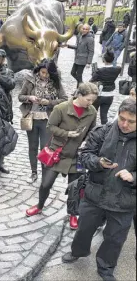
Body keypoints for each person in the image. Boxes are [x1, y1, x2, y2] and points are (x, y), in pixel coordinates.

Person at [62, 98, 136, 281]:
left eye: (131, 121)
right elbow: (84, 154)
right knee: (84, 229)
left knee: (114, 239)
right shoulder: (103, 131)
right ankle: (77, 251)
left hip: (123, 201)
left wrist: (134, 176)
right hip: (95, 195)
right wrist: (98, 162)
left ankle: (105, 267)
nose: (124, 124)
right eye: (122, 118)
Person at [25, 82, 99, 230]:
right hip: (57, 152)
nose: (91, 103)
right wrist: (67, 134)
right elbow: (50, 127)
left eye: (93, 101)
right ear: (79, 95)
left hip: (76, 155)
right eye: (88, 100)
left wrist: (87, 144)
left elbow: (92, 131)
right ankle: (39, 206)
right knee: (46, 184)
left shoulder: (91, 112)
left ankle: (72, 214)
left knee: (75, 188)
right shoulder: (61, 108)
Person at [18, 59, 68, 183]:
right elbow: (20, 96)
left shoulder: (56, 82)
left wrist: (49, 102)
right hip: (32, 118)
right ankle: (33, 172)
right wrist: (29, 97)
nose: (44, 75)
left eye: (47, 73)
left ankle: (45, 173)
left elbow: (64, 99)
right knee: (33, 146)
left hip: (48, 119)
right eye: (42, 72)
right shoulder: (30, 80)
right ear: (39, 71)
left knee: (45, 147)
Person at [90, 49, 122, 124]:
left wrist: (94, 73)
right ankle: (104, 132)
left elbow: (91, 80)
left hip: (99, 95)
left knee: (93, 114)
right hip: (109, 95)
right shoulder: (118, 69)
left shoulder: (100, 70)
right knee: (104, 116)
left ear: (104, 59)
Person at [64, 24, 95, 88]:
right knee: (72, 73)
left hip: (83, 60)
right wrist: (68, 46)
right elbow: (77, 47)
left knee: (79, 75)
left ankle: (79, 89)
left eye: (86, 29)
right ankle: (81, 84)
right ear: (81, 29)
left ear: (89, 30)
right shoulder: (80, 36)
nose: (84, 30)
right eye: (83, 28)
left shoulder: (90, 39)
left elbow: (91, 51)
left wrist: (89, 62)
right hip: (77, 59)